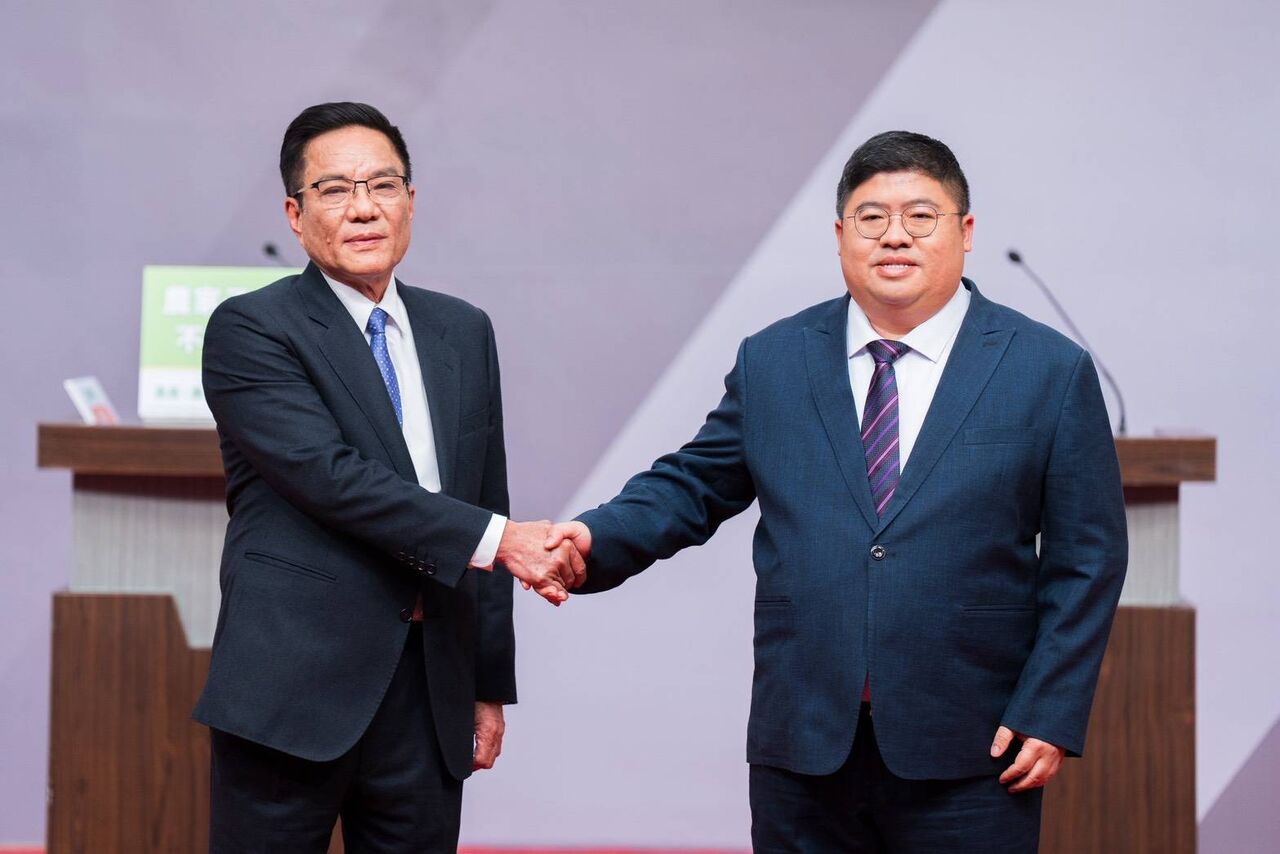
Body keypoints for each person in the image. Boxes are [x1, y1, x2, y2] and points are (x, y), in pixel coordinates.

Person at [547, 131, 1127, 852]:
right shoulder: (776, 359)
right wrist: (593, 538)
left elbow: (1088, 557)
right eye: (871, 217)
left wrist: (1051, 708)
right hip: (805, 741)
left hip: (974, 747)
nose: (895, 236)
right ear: (840, 235)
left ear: (966, 231)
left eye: (921, 217)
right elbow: (693, 484)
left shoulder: (1046, 369)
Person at [193, 102, 582, 853]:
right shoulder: (253, 327)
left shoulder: (461, 329)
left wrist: (486, 683)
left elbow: (485, 496)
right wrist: (502, 540)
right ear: (295, 214)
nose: (364, 207)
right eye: (335, 189)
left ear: (410, 200)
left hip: (428, 693)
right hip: (292, 691)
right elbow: (331, 478)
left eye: (383, 185)